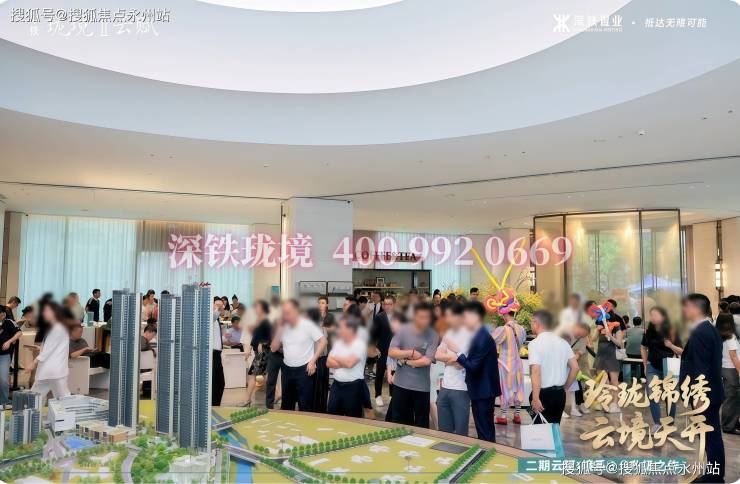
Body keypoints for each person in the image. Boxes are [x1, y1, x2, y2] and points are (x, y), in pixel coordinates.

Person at [679, 293, 725, 482]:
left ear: (696, 308)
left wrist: (698, 397)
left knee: (710, 437)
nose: (684, 310)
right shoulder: (709, 329)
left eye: (686, 306)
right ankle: (714, 474)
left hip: (705, 394)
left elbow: (701, 366)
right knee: (711, 436)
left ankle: (714, 478)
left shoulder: (700, 332)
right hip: (711, 391)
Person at [448, 301, 499, 442]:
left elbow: (472, 366)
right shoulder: (478, 335)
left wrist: (457, 352)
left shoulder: (482, 337)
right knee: (483, 428)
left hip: (483, 390)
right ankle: (487, 450)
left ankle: (488, 451)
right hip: (481, 389)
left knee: (485, 430)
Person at [387, 302, 439, 428]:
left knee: (421, 424)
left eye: (427, 317)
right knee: (398, 423)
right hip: (401, 385)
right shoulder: (403, 330)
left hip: (422, 387)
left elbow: (426, 361)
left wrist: (404, 361)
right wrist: (411, 353)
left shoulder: (433, 334)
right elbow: (391, 352)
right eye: (421, 317)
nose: (424, 320)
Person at [271, 300, 327, 411]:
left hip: (304, 370)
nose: (286, 315)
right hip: (287, 370)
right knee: (287, 405)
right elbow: (273, 348)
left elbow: (323, 341)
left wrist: (313, 361)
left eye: (288, 312)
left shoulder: (307, 325)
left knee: (305, 404)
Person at [528, 310, 579, 424]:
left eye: (531, 322)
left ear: (536, 322)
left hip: (543, 395)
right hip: (559, 395)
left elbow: (536, 372)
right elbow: (575, 367)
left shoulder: (535, 343)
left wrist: (535, 398)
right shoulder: (563, 342)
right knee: (554, 427)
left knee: (540, 430)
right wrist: (565, 387)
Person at [640, 307, 682, 430]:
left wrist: (671, 345)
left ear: (663, 316)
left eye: (655, 314)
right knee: (652, 394)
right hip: (652, 366)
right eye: (651, 315)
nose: (652, 317)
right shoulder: (648, 331)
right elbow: (643, 347)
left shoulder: (672, 330)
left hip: (669, 367)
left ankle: (669, 422)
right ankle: (657, 423)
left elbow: (682, 351)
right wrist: (645, 364)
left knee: (670, 396)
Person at [434, 302, 472, 435]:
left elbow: (462, 362)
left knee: (461, 433)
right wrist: (452, 358)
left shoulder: (469, 335)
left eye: (450, 315)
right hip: (445, 387)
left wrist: (451, 358)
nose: (447, 319)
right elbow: (437, 355)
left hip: (461, 389)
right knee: (445, 432)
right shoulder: (448, 333)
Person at [27, 302, 70, 402]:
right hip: (50, 371)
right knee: (35, 398)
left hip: (53, 370)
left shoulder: (58, 328)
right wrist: (40, 348)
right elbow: (52, 347)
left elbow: (49, 349)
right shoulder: (54, 328)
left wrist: (34, 362)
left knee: (63, 399)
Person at [327, 315, 367, 417]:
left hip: (353, 387)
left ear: (350, 329)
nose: (338, 330)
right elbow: (328, 362)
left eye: (341, 327)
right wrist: (344, 361)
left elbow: (350, 364)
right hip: (336, 386)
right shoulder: (338, 343)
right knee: (332, 417)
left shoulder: (360, 344)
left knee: (353, 419)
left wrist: (336, 358)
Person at [492, 311, 526, 425]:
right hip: (518, 363)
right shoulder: (521, 329)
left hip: (505, 364)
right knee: (518, 387)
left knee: (505, 388)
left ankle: (503, 416)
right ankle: (517, 415)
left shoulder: (503, 329)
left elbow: (490, 340)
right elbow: (522, 343)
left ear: (505, 315)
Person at [593, 308, 625, 413]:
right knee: (601, 381)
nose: (603, 320)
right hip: (601, 356)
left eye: (605, 318)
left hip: (612, 356)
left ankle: (615, 403)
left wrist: (610, 335)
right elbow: (593, 339)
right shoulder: (600, 327)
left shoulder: (616, 327)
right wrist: (597, 330)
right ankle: (603, 402)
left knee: (614, 381)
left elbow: (619, 343)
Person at [717, 313, 740, 435]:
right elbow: (733, 356)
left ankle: (731, 423)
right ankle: (728, 426)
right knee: (732, 399)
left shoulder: (719, 335)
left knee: (730, 398)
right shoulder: (730, 336)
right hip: (731, 369)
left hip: (724, 368)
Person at [370, 295, 395, 407]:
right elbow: (372, 334)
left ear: (394, 305)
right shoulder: (379, 317)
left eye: (389, 304)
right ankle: (378, 395)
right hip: (382, 350)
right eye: (385, 304)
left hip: (395, 351)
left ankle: (392, 395)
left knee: (393, 373)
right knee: (380, 373)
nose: (387, 306)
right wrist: (374, 348)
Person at [247, 300, 272, 407]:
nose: (255, 309)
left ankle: (247, 399)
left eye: (257, 307)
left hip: (263, 353)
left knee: (252, 375)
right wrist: (249, 348)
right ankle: (278, 394)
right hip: (259, 352)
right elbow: (255, 337)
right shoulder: (259, 320)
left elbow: (271, 337)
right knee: (264, 375)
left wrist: (262, 343)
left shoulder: (266, 321)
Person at [308, 307, 332, 413]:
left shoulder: (322, 329)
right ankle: (317, 408)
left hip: (322, 360)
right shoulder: (314, 329)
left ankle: (320, 408)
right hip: (316, 360)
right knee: (317, 386)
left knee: (322, 385)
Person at [0, 306, 21, 408]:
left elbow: (19, 333)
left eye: (2, 315)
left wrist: (9, 341)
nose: (1, 317)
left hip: (4, 356)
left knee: (4, 380)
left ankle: (4, 401)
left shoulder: (9, 322)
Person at [211, 298, 226, 406]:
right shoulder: (209, 316)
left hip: (217, 353)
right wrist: (218, 308)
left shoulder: (216, 319)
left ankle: (216, 405)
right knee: (216, 382)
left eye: (221, 305)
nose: (219, 307)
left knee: (220, 382)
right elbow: (214, 315)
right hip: (212, 354)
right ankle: (213, 405)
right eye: (216, 304)